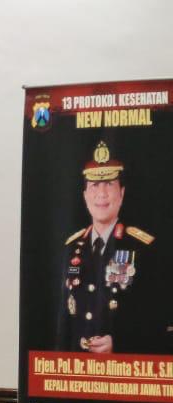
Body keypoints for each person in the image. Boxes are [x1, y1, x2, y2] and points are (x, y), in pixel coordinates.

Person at [56, 140, 165, 354]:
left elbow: (158, 317)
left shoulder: (142, 247)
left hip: (124, 366)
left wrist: (120, 342)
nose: (102, 193)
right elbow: (65, 321)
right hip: (78, 365)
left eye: (109, 184)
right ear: (85, 195)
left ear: (122, 193)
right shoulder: (72, 247)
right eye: (94, 185)